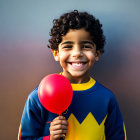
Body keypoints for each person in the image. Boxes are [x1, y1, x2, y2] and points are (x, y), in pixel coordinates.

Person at [18, 10, 127, 140]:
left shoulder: (107, 99)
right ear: (56, 54)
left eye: (86, 46)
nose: (77, 53)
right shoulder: (38, 98)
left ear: (97, 53)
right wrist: (50, 138)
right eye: (68, 46)